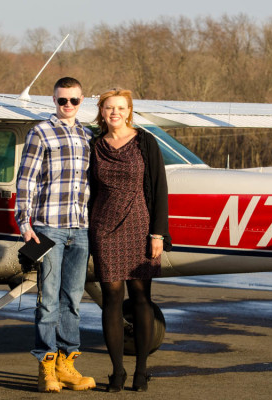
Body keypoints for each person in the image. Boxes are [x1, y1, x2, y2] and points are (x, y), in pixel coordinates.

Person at [15, 77, 96, 393]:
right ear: (53, 99)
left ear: (81, 100)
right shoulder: (40, 132)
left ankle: (67, 363)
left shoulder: (88, 135)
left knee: (73, 298)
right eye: (62, 100)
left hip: (81, 227)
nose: (68, 106)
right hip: (50, 226)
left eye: (74, 101)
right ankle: (46, 366)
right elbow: (27, 181)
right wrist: (25, 224)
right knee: (48, 298)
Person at [89, 88, 171, 392]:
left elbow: (159, 186)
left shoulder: (145, 141)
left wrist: (158, 233)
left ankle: (141, 371)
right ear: (102, 112)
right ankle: (117, 372)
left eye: (121, 108)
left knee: (140, 298)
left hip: (140, 225)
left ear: (129, 111)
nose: (115, 113)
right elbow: (89, 190)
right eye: (109, 108)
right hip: (104, 226)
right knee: (111, 300)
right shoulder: (95, 145)